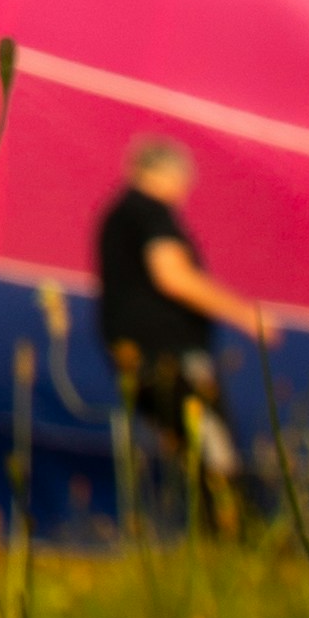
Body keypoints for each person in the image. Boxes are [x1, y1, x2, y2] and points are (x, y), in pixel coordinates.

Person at [97, 137, 265, 511]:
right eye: (183, 181)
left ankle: (214, 532)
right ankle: (233, 529)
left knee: (186, 447)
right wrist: (246, 314)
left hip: (129, 350)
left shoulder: (116, 214)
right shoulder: (151, 211)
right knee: (211, 443)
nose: (185, 192)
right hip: (170, 350)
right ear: (165, 174)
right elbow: (173, 275)